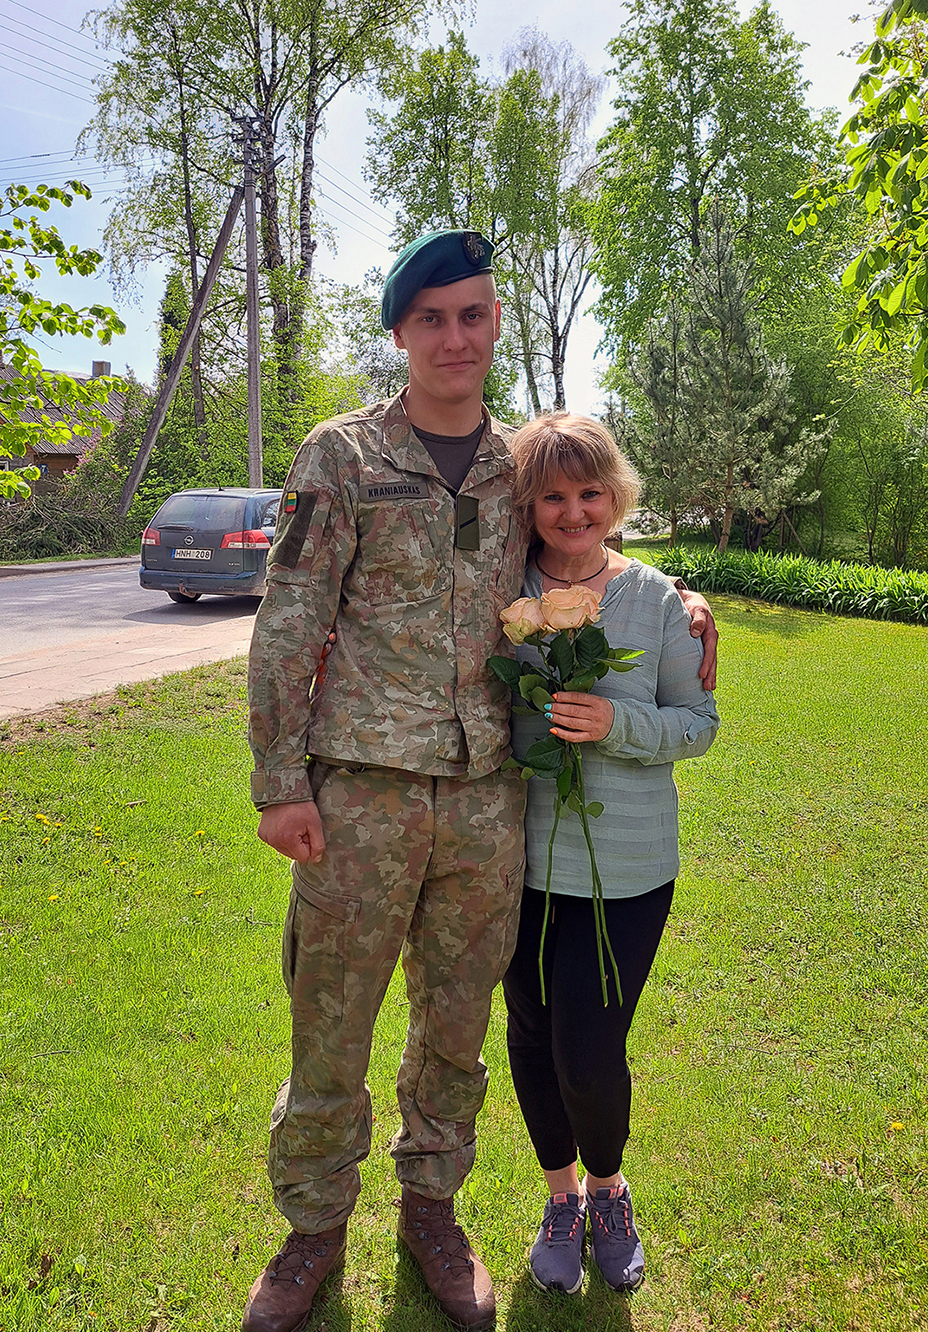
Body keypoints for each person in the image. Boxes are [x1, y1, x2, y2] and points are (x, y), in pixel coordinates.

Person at [241, 231, 718, 1332]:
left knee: (455, 1027)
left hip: (489, 799)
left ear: (495, 322)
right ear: (401, 332)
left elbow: (585, 543)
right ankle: (312, 1231)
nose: (454, 337)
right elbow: (290, 618)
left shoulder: (521, 467)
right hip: (360, 793)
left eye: (472, 314)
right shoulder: (343, 455)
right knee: (331, 1023)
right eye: (431, 318)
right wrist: (279, 781)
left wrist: (680, 599)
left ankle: (432, 1213)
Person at [502, 414, 720, 1297]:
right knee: (530, 1034)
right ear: (528, 503)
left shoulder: (658, 599)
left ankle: (608, 1190)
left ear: (616, 494)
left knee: (590, 1051)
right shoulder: (502, 587)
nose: (573, 511)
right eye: (552, 495)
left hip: (625, 872)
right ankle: (561, 1199)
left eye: (590, 492)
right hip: (515, 864)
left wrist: (616, 722)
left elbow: (698, 725)